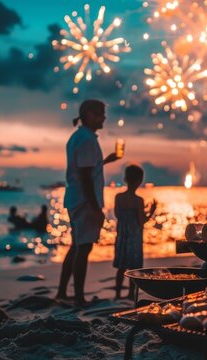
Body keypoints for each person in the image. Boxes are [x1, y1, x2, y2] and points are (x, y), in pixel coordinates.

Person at [56, 99, 119, 305]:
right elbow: (84, 176)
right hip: (83, 201)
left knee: (76, 246)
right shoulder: (87, 140)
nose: (104, 118)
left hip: (75, 198)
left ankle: (62, 292)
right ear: (90, 115)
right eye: (100, 114)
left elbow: (87, 167)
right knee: (83, 248)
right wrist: (95, 208)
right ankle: (79, 297)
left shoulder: (79, 137)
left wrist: (105, 161)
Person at [113, 164, 157, 299]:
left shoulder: (118, 197)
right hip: (134, 239)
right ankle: (131, 294)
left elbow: (117, 215)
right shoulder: (138, 200)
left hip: (122, 237)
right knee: (133, 269)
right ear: (139, 181)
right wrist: (152, 211)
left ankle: (117, 294)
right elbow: (141, 221)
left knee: (121, 268)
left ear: (126, 179)